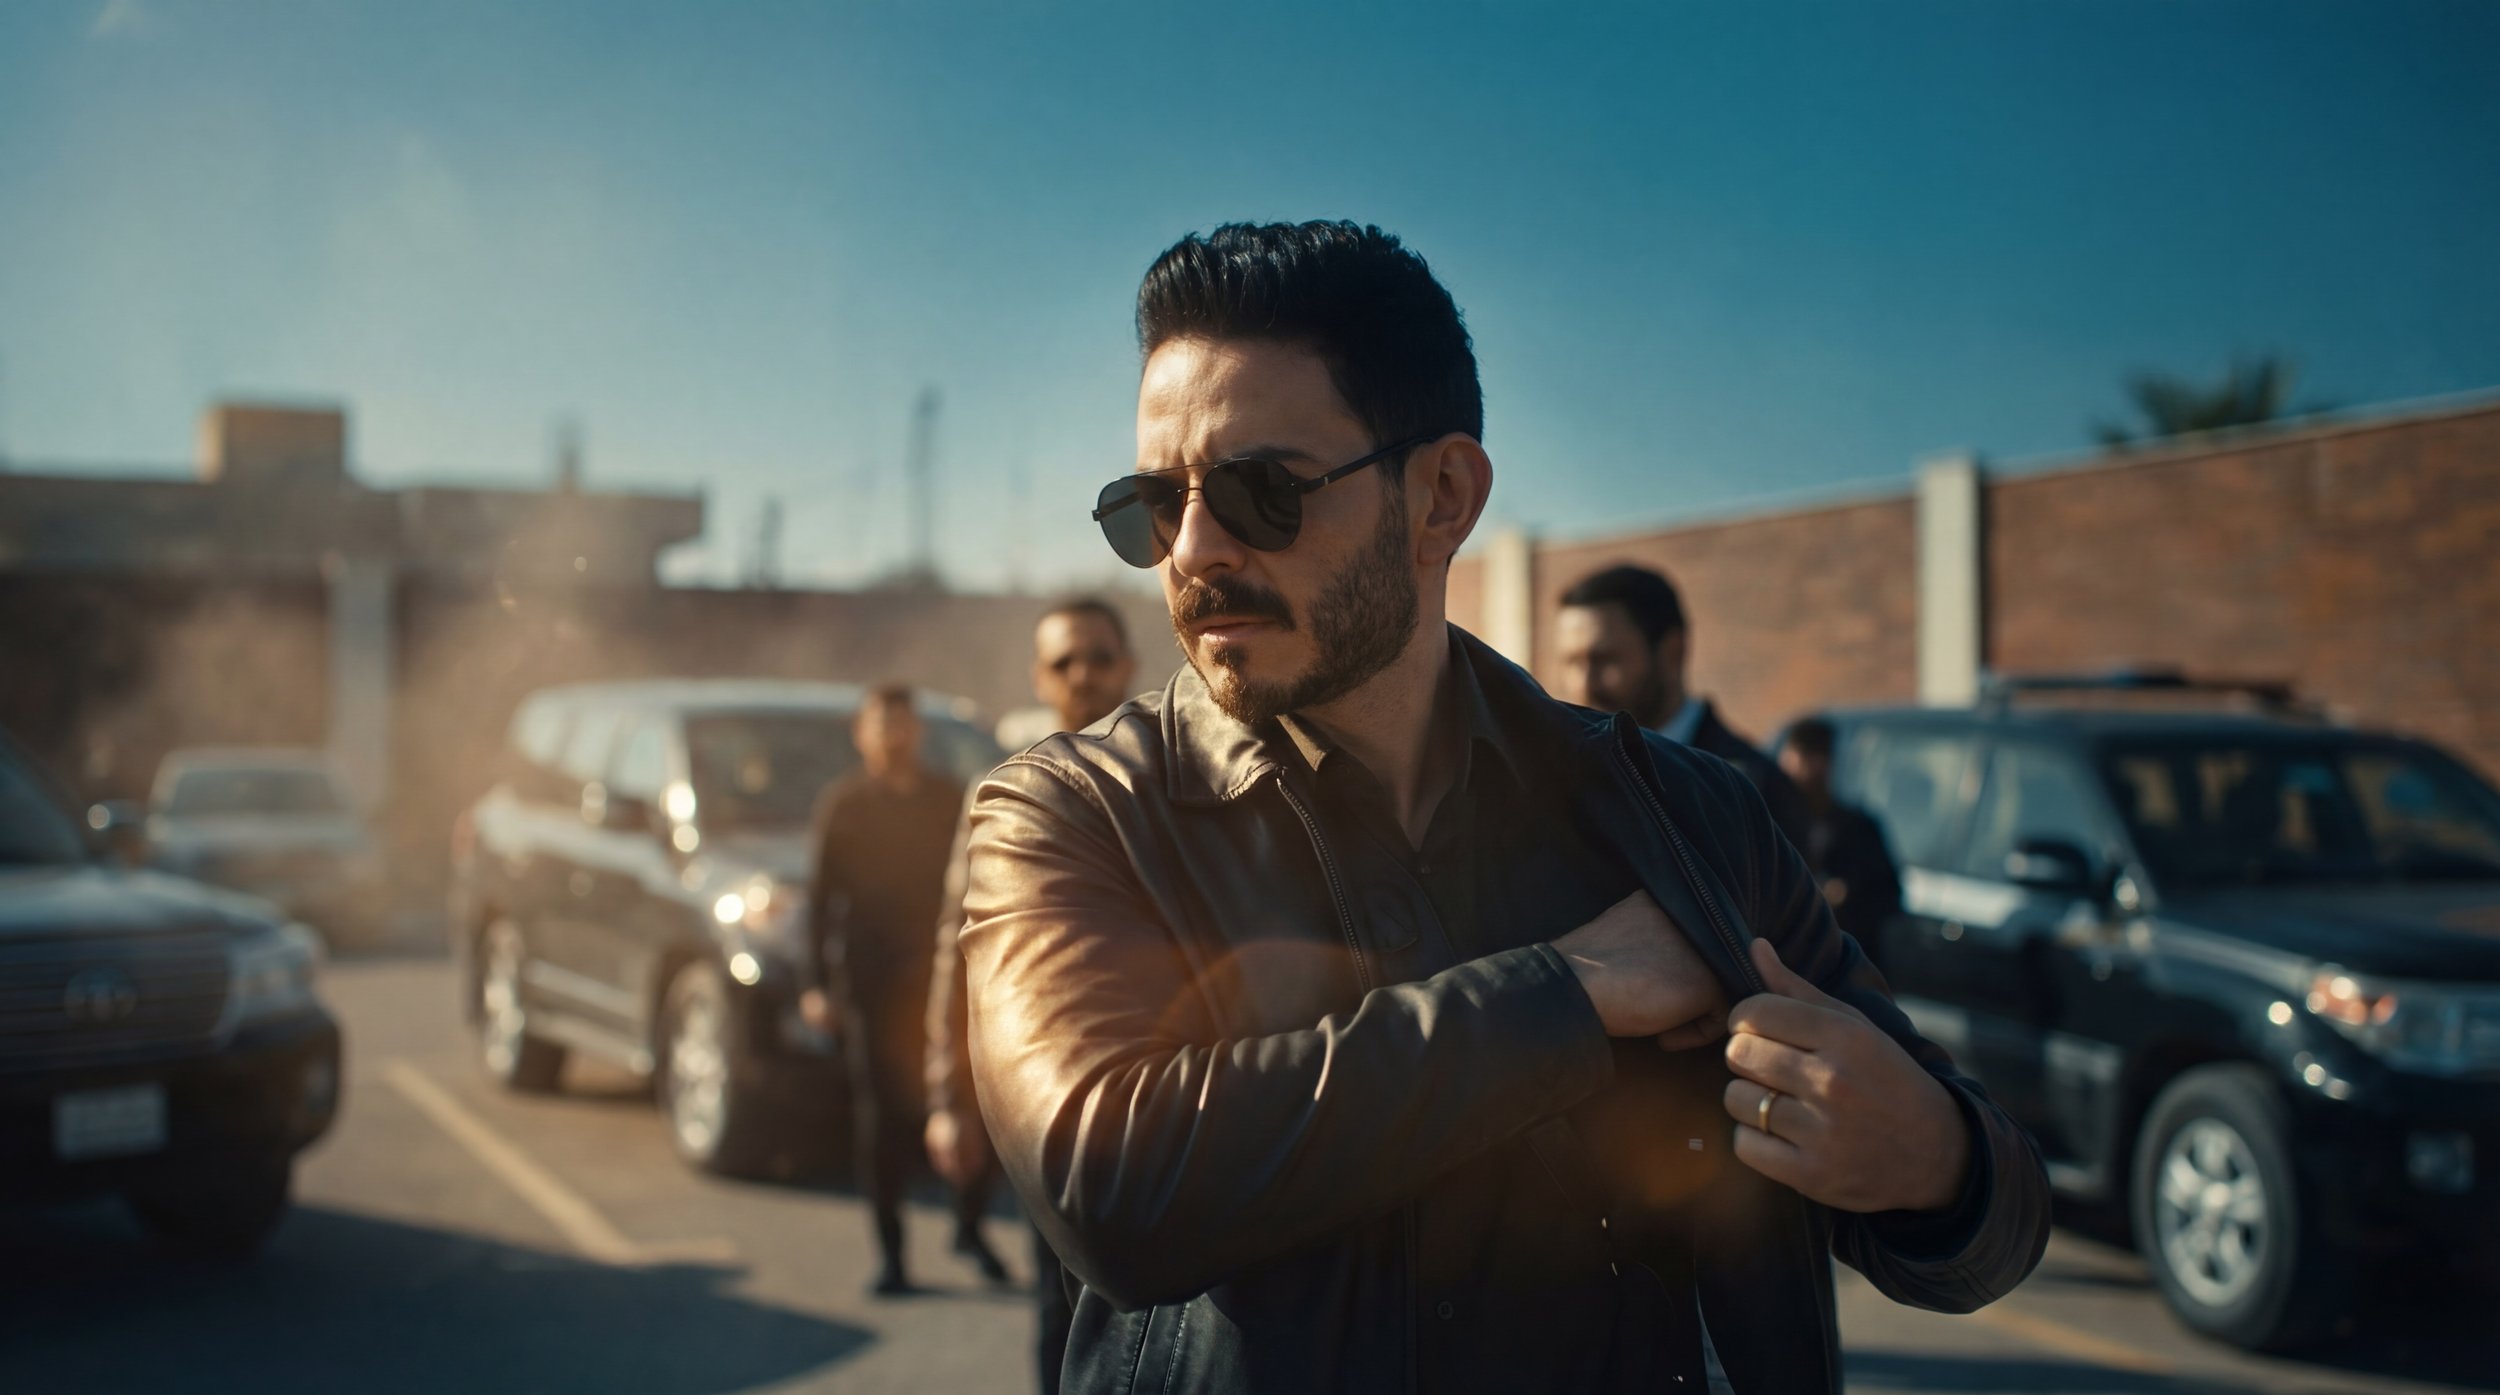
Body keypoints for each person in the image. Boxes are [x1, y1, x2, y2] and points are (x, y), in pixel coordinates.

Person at [957, 220, 2049, 1394]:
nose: (1195, 551)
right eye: (1154, 506)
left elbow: (1985, 1220)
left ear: (1441, 498)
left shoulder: (1685, 817)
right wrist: (1568, 994)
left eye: (1259, 493)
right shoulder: (1071, 813)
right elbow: (1107, 1184)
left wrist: (1940, 1161)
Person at [926, 597, 1137, 1392]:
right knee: (1063, 1318)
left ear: (1129, 665)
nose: (1084, 674)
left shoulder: (1183, 776)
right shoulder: (1004, 794)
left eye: (1099, 657)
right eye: (1064, 661)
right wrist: (950, 1096)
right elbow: (960, 949)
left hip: (1169, 1097)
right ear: (1039, 678)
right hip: (1050, 1105)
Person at [800, 684, 998, 1296]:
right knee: (882, 1124)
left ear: (918, 731)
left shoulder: (946, 799)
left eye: (903, 724)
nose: (894, 735)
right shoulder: (846, 805)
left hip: (944, 983)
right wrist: (817, 986)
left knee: (975, 1106)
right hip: (872, 989)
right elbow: (818, 901)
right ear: (862, 734)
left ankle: (970, 1226)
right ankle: (893, 1257)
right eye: (882, 725)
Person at [1552, 563, 1815, 849]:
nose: (1584, 685)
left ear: (1671, 653)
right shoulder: (1560, 783)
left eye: (1605, 660)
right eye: (1571, 662)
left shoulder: (1747, 791)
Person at [1777, 716, 1905, 968]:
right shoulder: (1773, 825)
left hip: (1845, 964)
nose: (1805, 770)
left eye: (1815, 757)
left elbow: (1889, 895)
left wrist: (1847, 894)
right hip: (1789, 966)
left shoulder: (1858, 829)